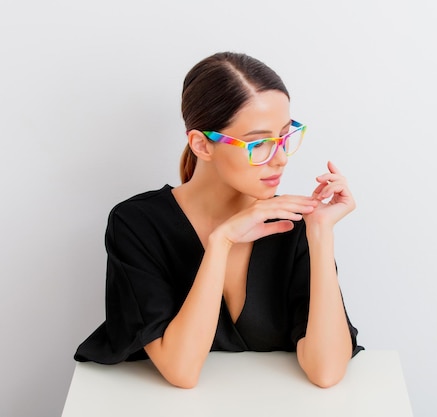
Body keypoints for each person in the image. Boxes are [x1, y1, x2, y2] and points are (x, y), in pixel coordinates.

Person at [74, 51, 363, 389]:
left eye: (285, 136)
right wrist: (221, 241)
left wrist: (321, 232)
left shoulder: (293, 224)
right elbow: (181, 371)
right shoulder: (137, 224)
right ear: (202, 145)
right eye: (259, 143)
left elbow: (326, 372)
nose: (281, 158)